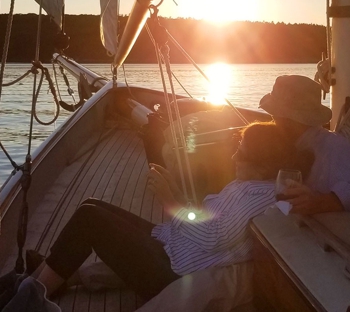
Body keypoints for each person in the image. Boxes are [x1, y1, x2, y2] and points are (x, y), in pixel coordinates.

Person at [28, 121, 309, 301]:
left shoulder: (259, 199)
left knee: (90, 220)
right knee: (92, 206)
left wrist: (171, 201)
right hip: (171, 245)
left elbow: (212, 236)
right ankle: (44, 277)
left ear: (262, 165)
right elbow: (213, 219)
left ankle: (32, 298)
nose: (234, 156)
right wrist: (176, 192)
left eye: (242, 154)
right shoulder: (250, 184)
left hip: (169, 273)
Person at [259, 74, 350, 215]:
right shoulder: (282, 142)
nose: (274, 120)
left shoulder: (332, 147)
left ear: (291, 119)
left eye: (276, 115)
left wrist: (323, 202)